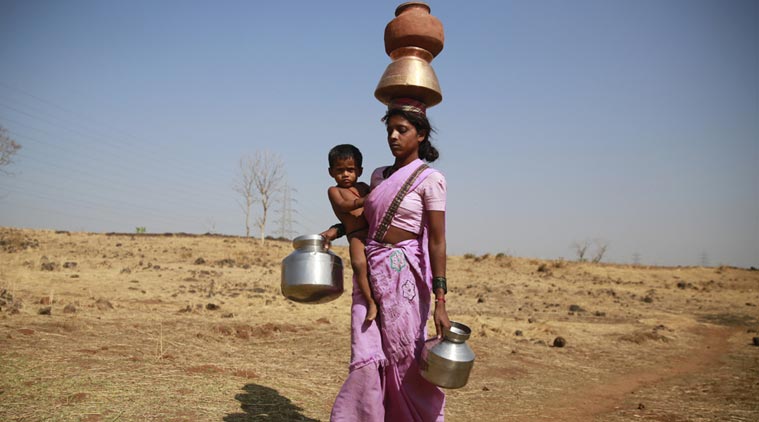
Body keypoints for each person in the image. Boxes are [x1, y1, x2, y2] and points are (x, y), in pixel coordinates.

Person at [322, 98, 451, 421]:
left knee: (406, 353)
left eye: (402, 129)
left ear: (420, 134)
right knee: (368, 352)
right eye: (389, 129)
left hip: (404, 276)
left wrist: (441, 299)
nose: (393, 136)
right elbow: (365, 219)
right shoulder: (378, 176)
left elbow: (436, 240)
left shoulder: (430, 179)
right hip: (371, 266)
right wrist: (334, 232)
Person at [327, 144, 377, 321]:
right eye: (340, 170)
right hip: (356, 235)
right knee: (358, 265)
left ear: (360, 171)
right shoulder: (334, 191)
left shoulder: (364, 186)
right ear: (331, 172)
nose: (345, 174)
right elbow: (343, 205)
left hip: (374, 233)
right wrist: (363, 201)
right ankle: (370, 302)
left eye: (350, 170)